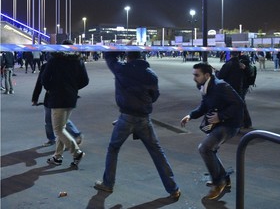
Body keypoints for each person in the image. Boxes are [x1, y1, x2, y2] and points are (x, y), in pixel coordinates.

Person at [94, 51, 181, 201]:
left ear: (127, 56)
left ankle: (108, 183)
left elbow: (109, 57)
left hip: (126, 117)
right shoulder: (150, 74)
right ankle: (173, 188)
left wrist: (118, 49)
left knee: (113, 149)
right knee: (157, 152)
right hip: (143, 118)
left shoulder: (122, 69)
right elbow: (155, 96)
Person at [180, 63, 244, 200]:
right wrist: (191, 115)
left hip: (230, 125)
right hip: (220, 123)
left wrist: (221, 116)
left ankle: (218, 182)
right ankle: (224, 179)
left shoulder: (220, 86)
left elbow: (239, 104)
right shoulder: (206, 86)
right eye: (193, 74)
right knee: (210, 150)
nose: (194, 78)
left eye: (197, 75)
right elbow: (205, 105)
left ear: (207, 75)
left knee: (205, 148)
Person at [41, 40, 89, 168]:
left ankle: (76, 152)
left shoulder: (54, 60)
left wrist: (52, 89)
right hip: (71, 98)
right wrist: (73, 88)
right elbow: (85, 80)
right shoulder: (78, 61)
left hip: (57, 98)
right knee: (62, 127)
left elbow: (44, 79)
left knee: (58, 129)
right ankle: (57, 156)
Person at [32, 62, 84, 147]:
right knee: (49, 120)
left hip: (62, 97)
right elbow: (40, 82)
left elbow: (81, 80)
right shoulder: (46, 66)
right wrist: (35, 97)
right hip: (51, 98)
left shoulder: (67, 65)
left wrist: (72, 90)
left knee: (61, 120)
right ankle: (51, 138)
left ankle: (76, 135)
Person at [215, 51, 251, 128]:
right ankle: (246, 123)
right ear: (238, 55)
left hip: (231, 88)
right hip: (241, 87)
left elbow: (220, 76)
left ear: (230, 55)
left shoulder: (228, 64)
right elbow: (249, 73)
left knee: (235, 106)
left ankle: (238, 123)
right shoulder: (241, 64)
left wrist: (216, 72)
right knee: (241, 104)